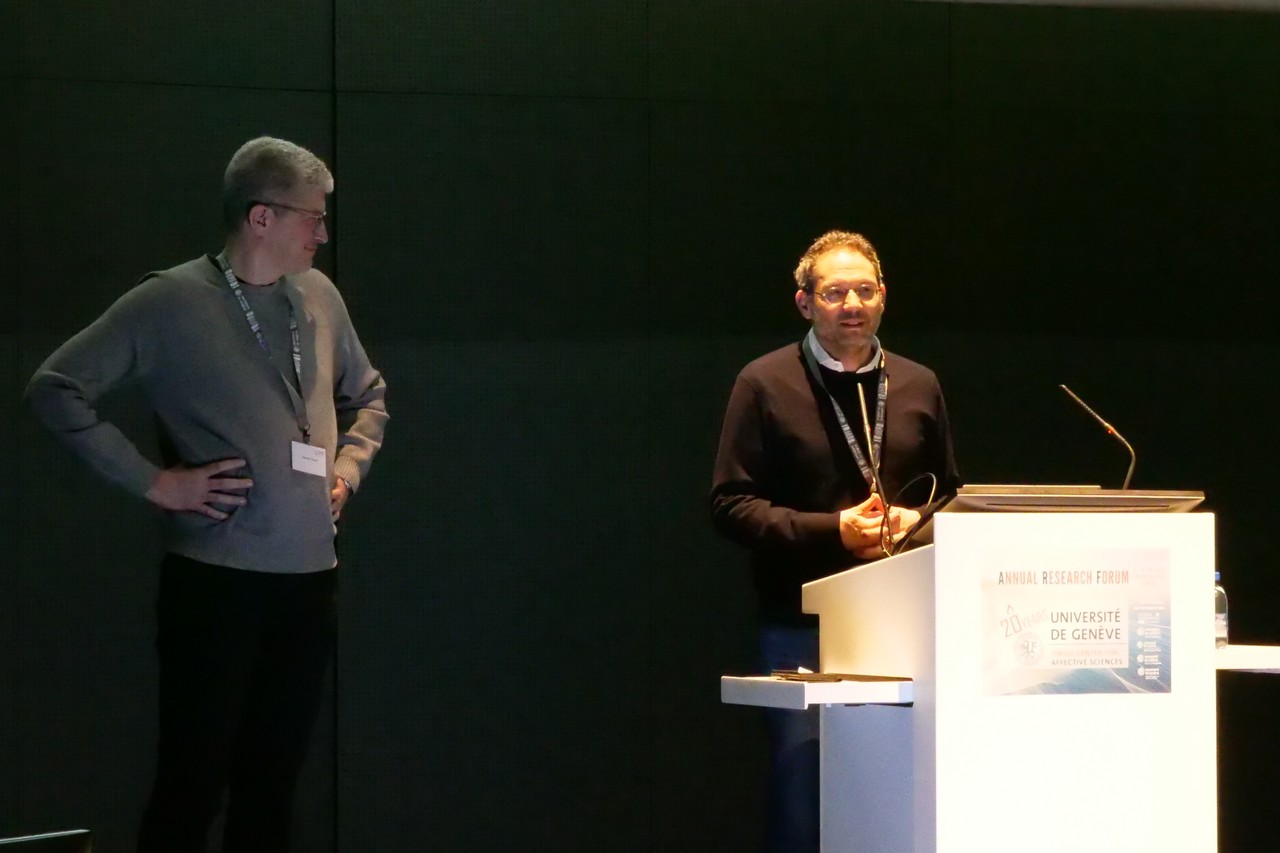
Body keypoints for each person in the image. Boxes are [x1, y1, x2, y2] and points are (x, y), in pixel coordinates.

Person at [25, 137, 389, 853]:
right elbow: (56, 388)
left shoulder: (319, 297)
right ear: (261, 217)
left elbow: (369, 395)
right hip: (217, 586)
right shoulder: (170, 301)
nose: (322, 233)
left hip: (309, 583)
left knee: (272, 786)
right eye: (313, 217)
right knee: (192, 783)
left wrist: (347, 469)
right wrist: (155, 481)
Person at [710, 230, 957, 853]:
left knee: (899, 792)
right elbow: (731, 506)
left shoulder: (919, 383)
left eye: (864, 291)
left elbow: (951, 499)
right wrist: (835, 530)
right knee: (804, 797)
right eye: (834, 292)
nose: (852, 305)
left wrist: (913, 522)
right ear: (804, 303)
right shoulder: (764, 382)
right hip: (801, 625)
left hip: (906, 626)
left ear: (884, 297)